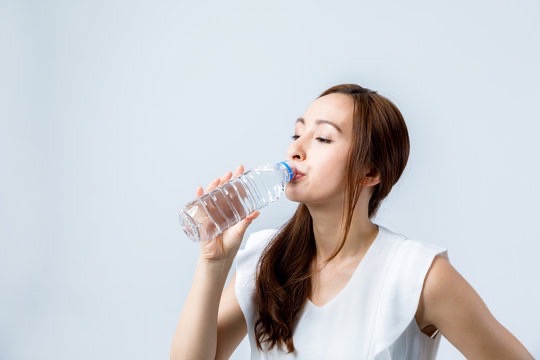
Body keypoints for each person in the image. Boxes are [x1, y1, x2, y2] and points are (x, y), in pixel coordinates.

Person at [170, 84, 533, 359]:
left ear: (370, 171)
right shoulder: (265, 256)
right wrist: (213, 264)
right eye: (297, 134)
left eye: (323, 138)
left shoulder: (418, 274)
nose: (297, 148)